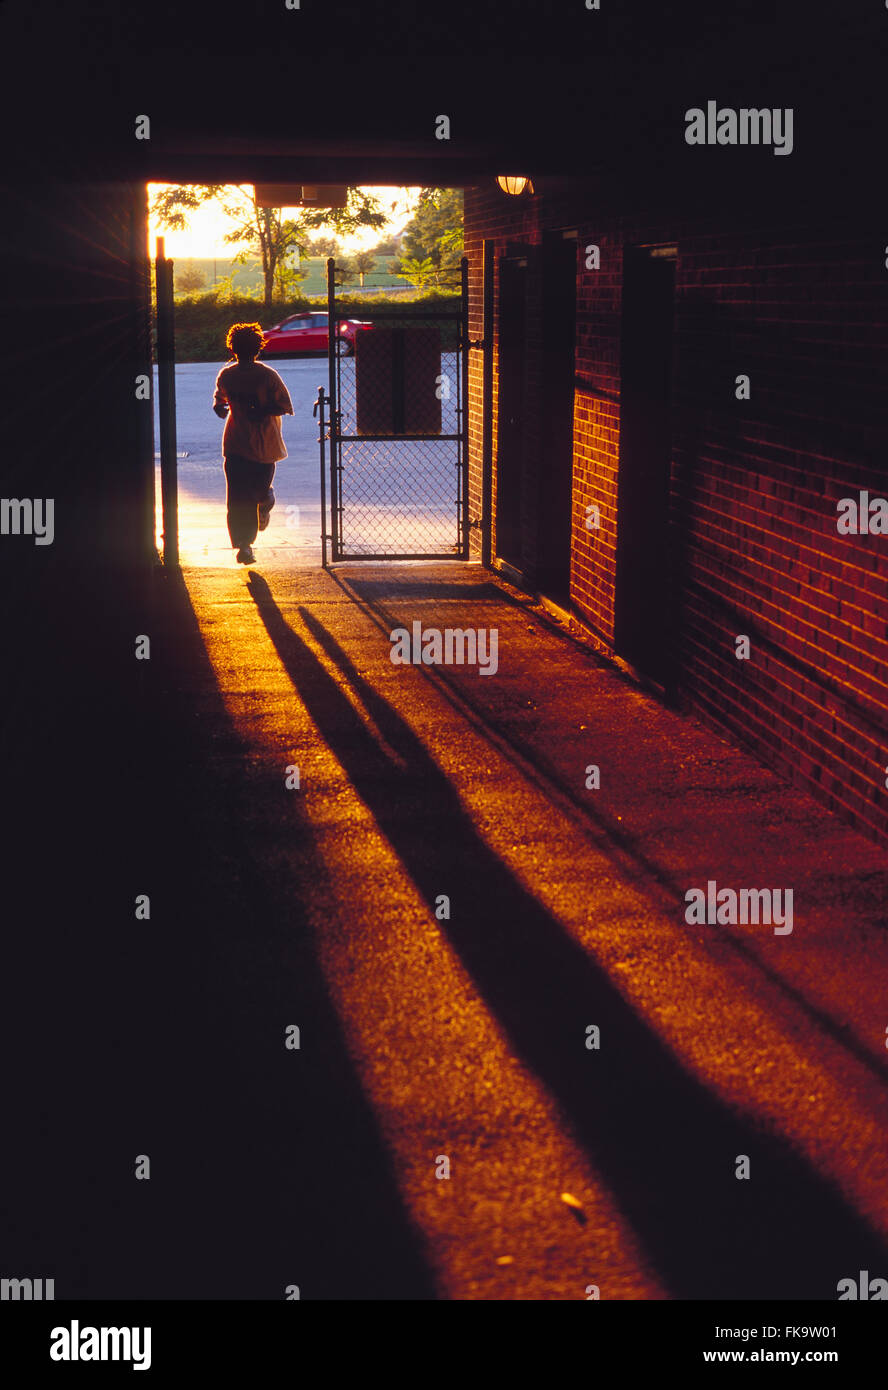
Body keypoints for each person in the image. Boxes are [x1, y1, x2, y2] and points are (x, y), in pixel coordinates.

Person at [213, 322, 294, 564]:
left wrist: (261, 409)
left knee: (251, 494)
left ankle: (264, 501)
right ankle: (244, 546)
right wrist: (220, 406)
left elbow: (284, 406)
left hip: (263, 447)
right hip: (237, 445)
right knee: (237, 497)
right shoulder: (227, 375)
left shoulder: (267, 376)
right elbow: (220, 397)